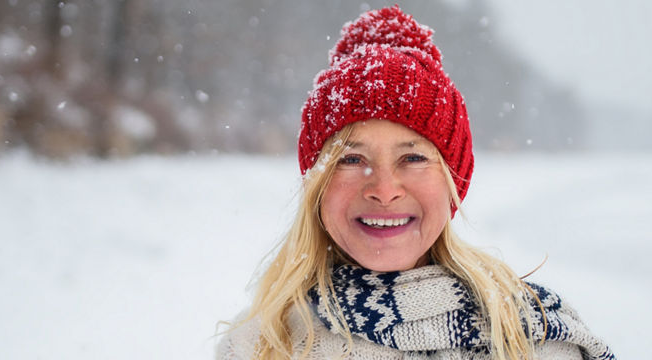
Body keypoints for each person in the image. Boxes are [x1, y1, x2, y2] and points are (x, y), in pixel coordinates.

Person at [216, 6, 615, 360]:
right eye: (351, 159)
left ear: (451, 183)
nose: (384, 188)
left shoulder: (533, 337)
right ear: (317, 187)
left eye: (413, 158)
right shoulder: (261, 346)